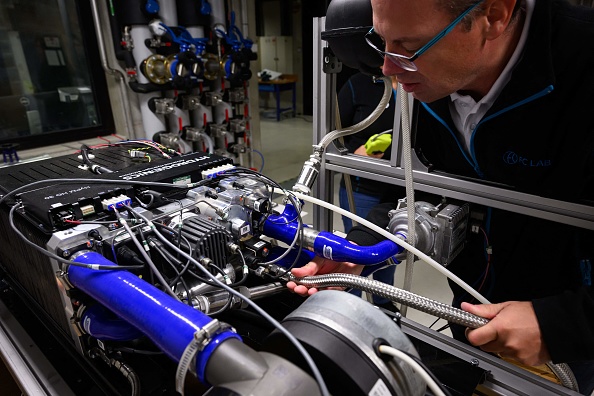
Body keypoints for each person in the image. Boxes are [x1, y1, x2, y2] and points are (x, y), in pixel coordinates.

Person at [288, 0, 594, 393]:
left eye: (409, 47)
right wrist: (362, 249)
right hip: (469, 315)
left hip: (564, 341)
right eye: (381, 41)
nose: (388, 68)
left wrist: (561, 325)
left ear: (494, 16)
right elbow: (425, 190)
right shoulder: (431, 85)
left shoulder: (582, 68)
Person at [336, 71, 400, 309]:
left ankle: (382, 301)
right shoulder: (360, 83)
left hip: (402, 191)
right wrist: (354, 156)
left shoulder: (421, 84)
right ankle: (352, 307)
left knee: (390, 254)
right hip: (363, 188)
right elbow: (331, 135)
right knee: (355, 253)